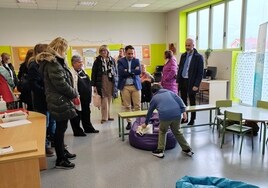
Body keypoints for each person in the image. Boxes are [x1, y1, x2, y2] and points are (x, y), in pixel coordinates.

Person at [37, 37, 79, 169]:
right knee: (60, 130)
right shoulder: (53, 63)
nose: (66, 52)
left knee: (61, 129)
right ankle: (60, 159)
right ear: (60, 48)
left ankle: (62, 152)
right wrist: (74, 93)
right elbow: (61, 84)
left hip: (59, 99)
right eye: (65, 50)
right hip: (59, 99)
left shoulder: (55, 61)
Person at [141, 84, 193, 158]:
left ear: (153, 92)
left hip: (165, 116)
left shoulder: (154, 98)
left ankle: (160, 151)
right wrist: (184, 112)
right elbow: (180, 101)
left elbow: (150, 112)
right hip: (177, 114)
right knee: (177, 132)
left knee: (162, 131)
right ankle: (187, 149)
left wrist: (146, 123)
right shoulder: (170, 92)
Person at [28, 43, 55, 157]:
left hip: (49, 97)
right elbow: (33, 84)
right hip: (41, 98)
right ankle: (44, 146)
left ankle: (54, 141)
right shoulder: (34, 64)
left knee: (52, 121)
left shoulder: (45, 63)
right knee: (44, 123)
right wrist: (46, 91)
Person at [70, 55, 99, 136]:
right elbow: (72, 85)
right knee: (76, 115)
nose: (81, 64)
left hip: (86, 97)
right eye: (79, 62)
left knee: (86, 113)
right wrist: (74, 96)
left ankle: (88, 128)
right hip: (77, 97)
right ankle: (77, 131)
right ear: (74, 63)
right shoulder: (71, 73)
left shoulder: (83, 70)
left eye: (81, 62)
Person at [177, 38, 204, 125]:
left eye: (189, 45)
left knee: (192, 101)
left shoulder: (198, 57)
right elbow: (180, 68)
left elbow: (200, 73)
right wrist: (178, 81)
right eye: (186, 45)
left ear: (193, 45)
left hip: (192, 82)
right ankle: (185, 118)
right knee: (183, 101)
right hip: (183, 80)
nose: (187, 47)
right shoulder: (183, 55)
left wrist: (196, 84)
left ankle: (192, 119)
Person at [117, 45, 142, 130]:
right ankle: (129, 122)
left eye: (132, 53)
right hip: (125, 87)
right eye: (129, 53)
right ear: (125, 53)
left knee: (137, 105)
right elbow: (121, 73)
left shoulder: (137, 60)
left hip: (135, 86)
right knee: (127, 106)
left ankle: (139, 122)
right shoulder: (120, 61)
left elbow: (139, 71)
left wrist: (127, 71)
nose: (130, 55)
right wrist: (132, 71)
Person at [91, 45, 116, 124]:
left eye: (105, 50)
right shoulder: (97, 61)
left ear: (108, 51)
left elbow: (115, 71)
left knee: (109, 98)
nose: (103, 52)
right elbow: (94, 72)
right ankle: (104, 117)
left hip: (110, 80)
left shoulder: (112, 60)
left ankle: (108, 116)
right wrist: (94, 84)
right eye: (101, 51)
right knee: (104, 99)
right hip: (101, 80)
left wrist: (116, 81)